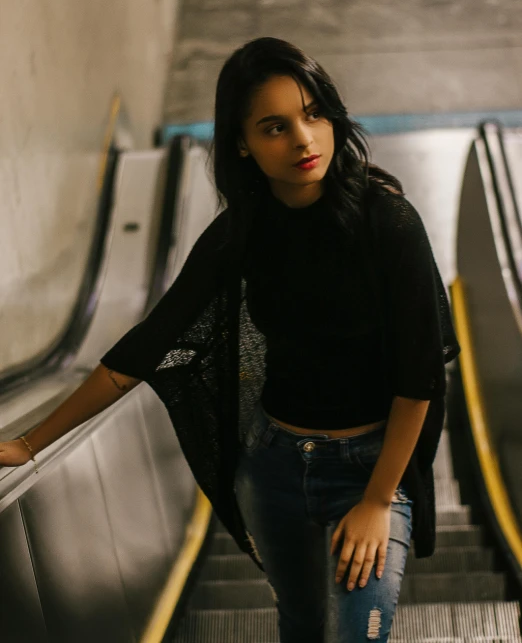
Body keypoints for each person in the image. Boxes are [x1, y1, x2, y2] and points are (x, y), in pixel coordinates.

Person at [0, 38, 460, 643]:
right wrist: (29, 444)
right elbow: (145, 349)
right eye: (275, 126)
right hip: (275, 465)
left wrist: (377, 500)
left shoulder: (388, 223)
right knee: (299, 624)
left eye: (314, 113)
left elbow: (419, 373)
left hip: (371, 468)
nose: (303, 139)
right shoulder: (241, 233)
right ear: (243, 143)